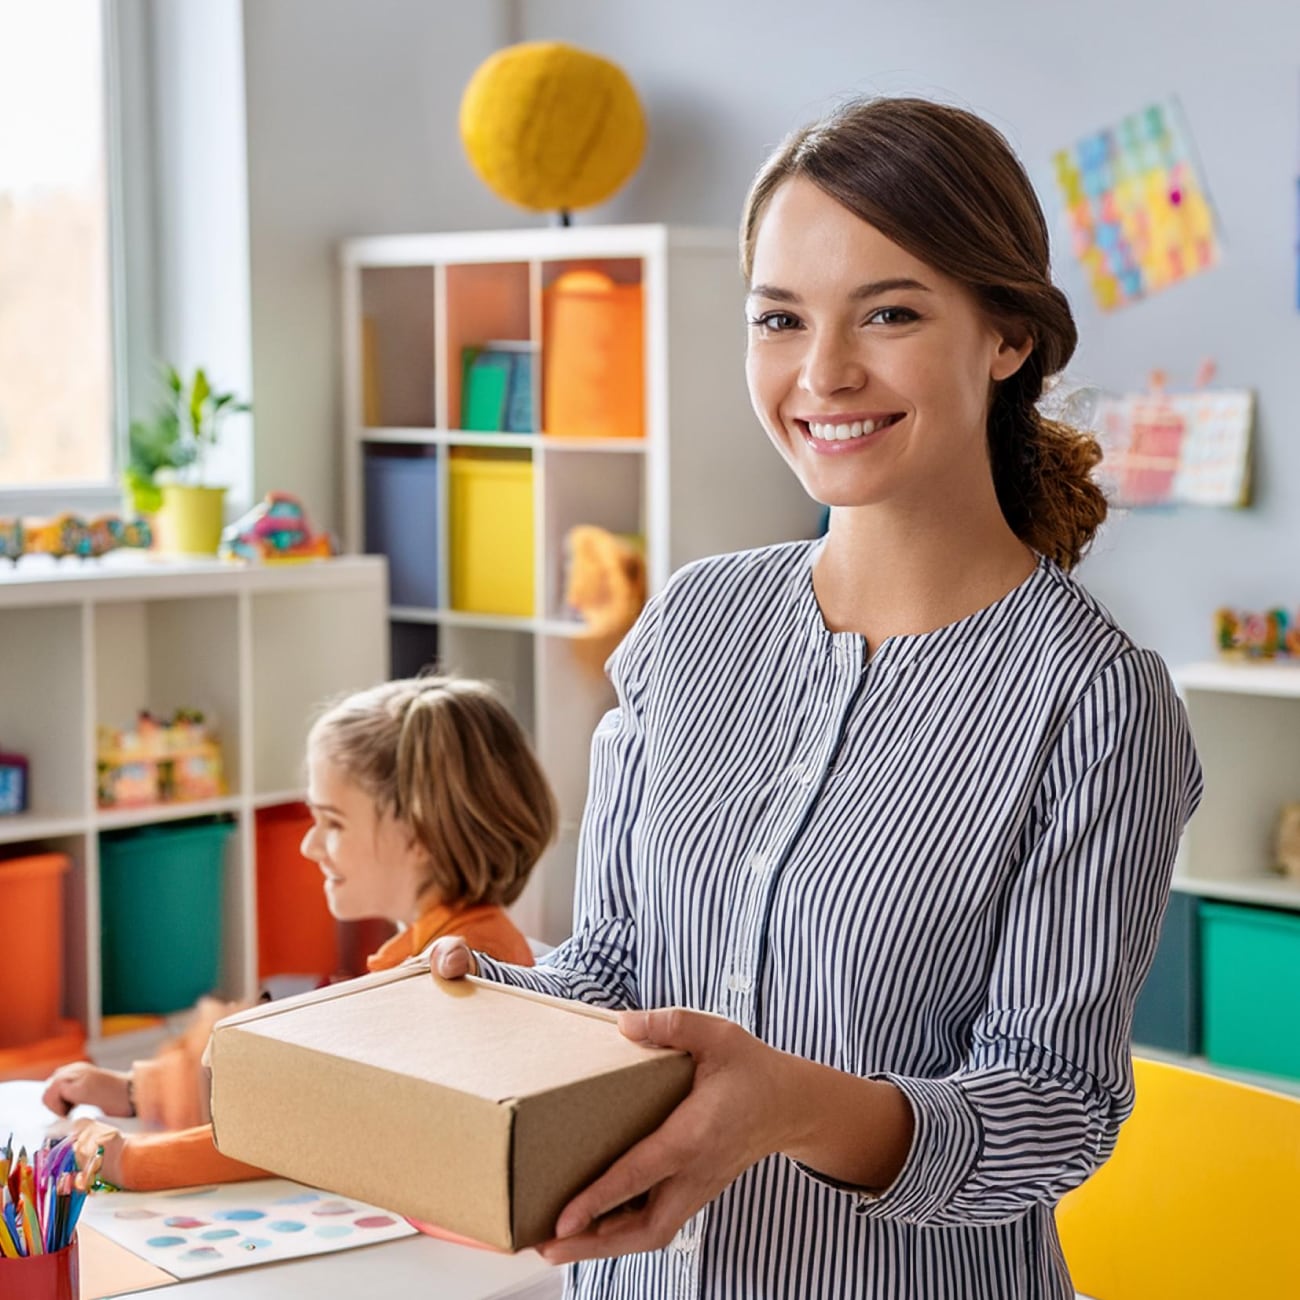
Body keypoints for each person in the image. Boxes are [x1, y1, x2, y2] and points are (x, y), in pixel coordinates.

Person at [430, 96, 1204, 1300]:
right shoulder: (690, 624)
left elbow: (1052, 1113)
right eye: (779, 319)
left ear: (1005, 335)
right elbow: (620, 965)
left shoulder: (1095, 701)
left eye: (888, 312)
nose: (822, 372)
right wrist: (469, 1001)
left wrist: (788, 1109)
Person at [43, 674, 556, 1191]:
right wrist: (140, 1092)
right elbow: (299, 1081)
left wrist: (130, 1161)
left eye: (332, 823)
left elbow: (306, 1128)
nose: (310, 845)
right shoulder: (432, 946)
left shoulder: (456, 973)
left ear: (417, 834)